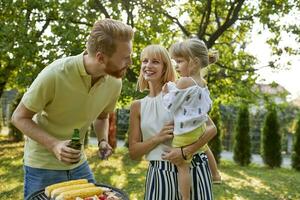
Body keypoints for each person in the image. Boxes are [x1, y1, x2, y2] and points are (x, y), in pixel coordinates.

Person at [11, 18, 133, 199]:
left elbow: (101, 116)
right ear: (100, 57)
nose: (130, 62)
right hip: (42, 166)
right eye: (125, 58)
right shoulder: (54, 74)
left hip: (78, 165)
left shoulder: (114, 82)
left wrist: (102, 141)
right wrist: (55, 145)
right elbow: (19, 117)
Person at [128, 44, 216, 200]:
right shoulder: (137, 106)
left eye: (155, 61)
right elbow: (134, 152)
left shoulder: (178, 95)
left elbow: (211, 128)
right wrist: (158, 138)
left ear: (166, 67)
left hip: (192, 168)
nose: (148, 65)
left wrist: (185, 152)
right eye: (144, 61)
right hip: (159, 172)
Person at [169, 38, 222, 186]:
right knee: (205, 147)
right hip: (199, 128)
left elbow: (171, 104)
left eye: (179, 62)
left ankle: (185, 196)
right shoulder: (202, 84)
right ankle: (216, 174)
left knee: (183, 167)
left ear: (194, 62)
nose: (177, 67)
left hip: (186, 131)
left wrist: (168, 90)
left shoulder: (184, 81)